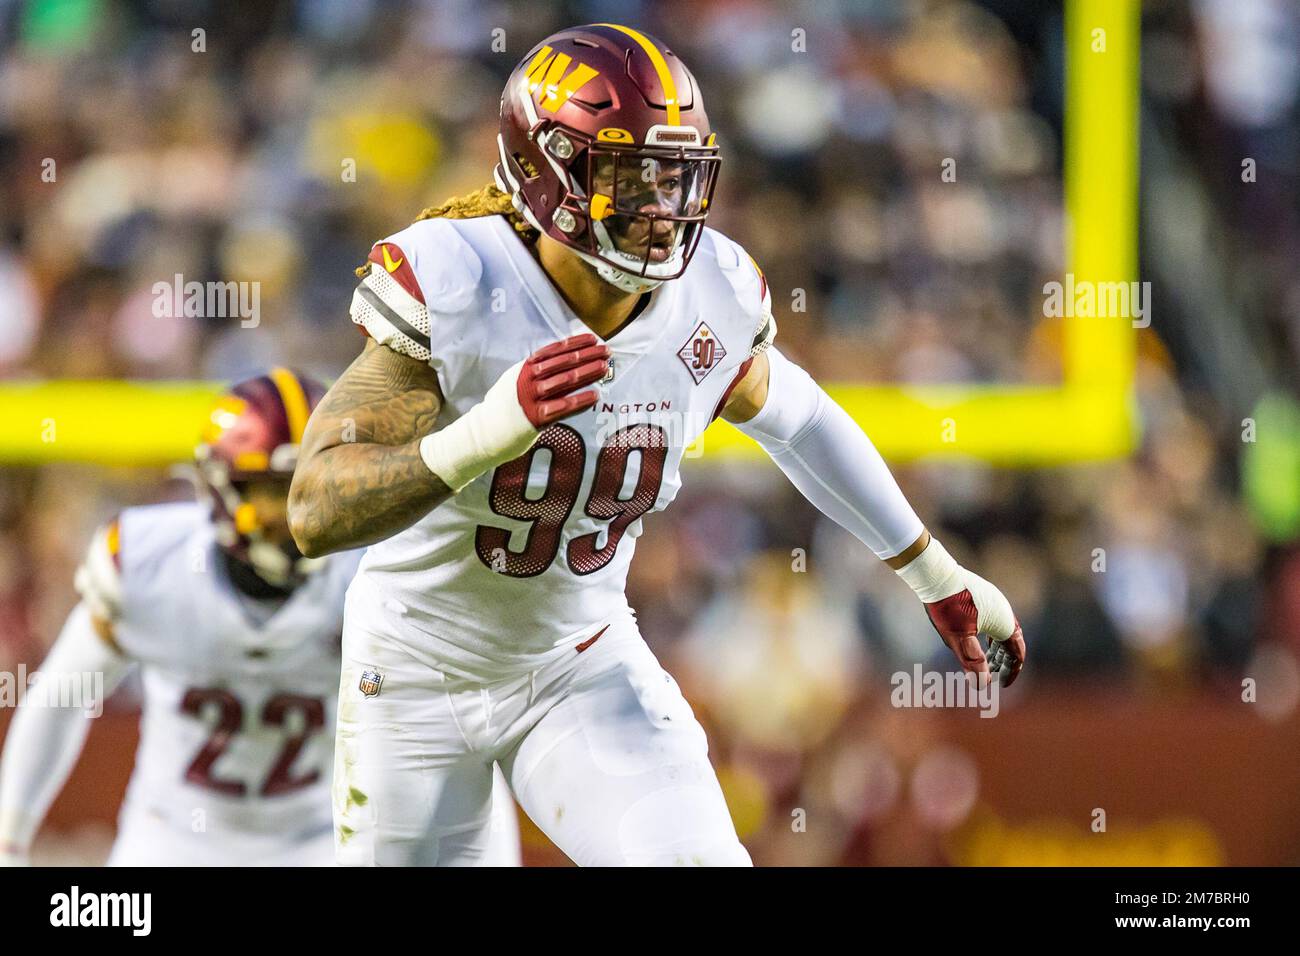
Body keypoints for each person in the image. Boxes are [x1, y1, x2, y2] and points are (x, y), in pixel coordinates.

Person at [288, 23, 1025, 867]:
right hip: (415, 670)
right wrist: (484, 434)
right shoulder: (461, 280)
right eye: (634, 175)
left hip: (579, 660)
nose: (664, 207)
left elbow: (803, 418)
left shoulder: (710, 294)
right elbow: (314, 509)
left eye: (677, 174)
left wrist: (934, 573)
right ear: (548, 168)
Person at [0, 369, 522, 866]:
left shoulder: (378, 576)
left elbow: (464, 741)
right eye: (278, 489)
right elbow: (60, 696)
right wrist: (10, 838)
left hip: (324, 842)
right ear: (222, 488)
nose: (302, 508)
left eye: (321, 483)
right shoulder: (150, 564)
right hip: (172, 840)